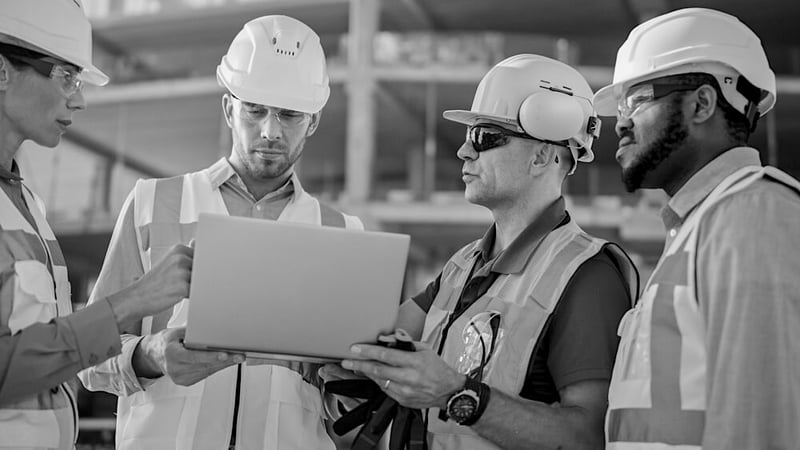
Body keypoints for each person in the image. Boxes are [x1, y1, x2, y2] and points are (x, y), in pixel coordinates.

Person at [78, 15, 363, 450]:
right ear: (229, 107)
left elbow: (346, 395)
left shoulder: (343, 233)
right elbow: (88, 353)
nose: (270, 130)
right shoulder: (152, 203)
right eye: (255, 109)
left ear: (314, 121)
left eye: (289, 115)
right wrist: (149, 355)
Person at [327, 54, 639, 449]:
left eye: (484, 137)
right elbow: (371, 337)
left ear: (542, 155)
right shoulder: (463, 266)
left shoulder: (587, 276)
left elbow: (587, 437)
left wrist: (454, 396)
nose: (464, 152)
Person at [591, 7, 800, 449]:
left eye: (639, 100)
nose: (621, 122)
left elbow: (761, 431)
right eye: (619, 107)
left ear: (702, 103)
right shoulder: (701, 226)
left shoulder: (751, 216)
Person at [0, 1, 193, 448]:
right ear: (3, 71)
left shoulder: (26, 203)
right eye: (66, 76)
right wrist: (130, 303)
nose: (79, 98)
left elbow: (52, 353)